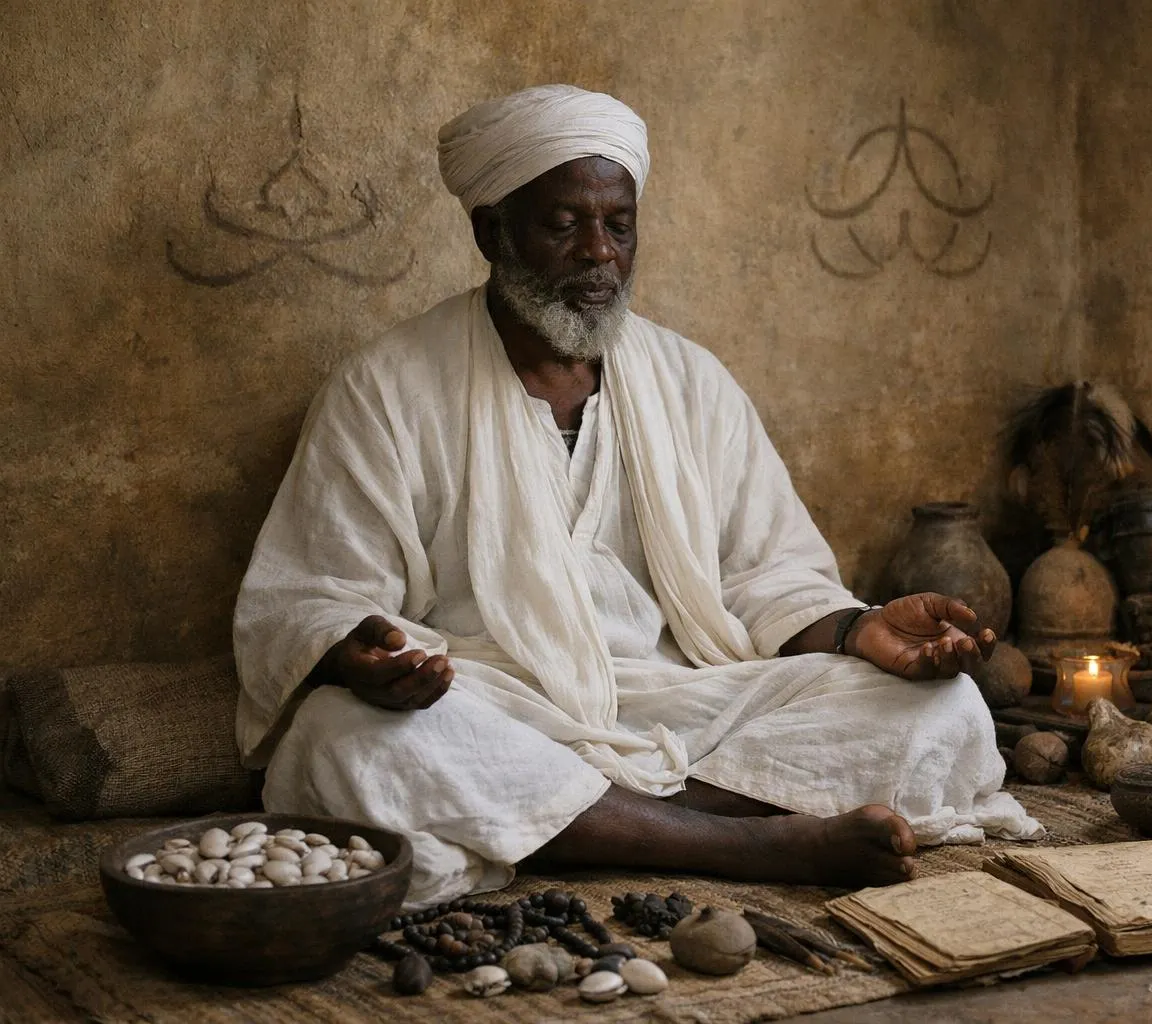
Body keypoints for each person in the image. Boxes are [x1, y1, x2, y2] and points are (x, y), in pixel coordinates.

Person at [233, 85, 1035, 906]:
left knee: (945, 709)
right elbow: (313, 595)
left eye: (618, 224)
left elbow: (767, 575)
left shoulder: (692, 381)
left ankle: (591, 823)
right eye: (563, 224)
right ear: (489, 230)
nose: (598, 254)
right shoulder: (386, 389)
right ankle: (747, 842)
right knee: (339, 737)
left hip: (682, 701)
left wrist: (860, 628)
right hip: (500, 709)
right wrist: (356, 651)